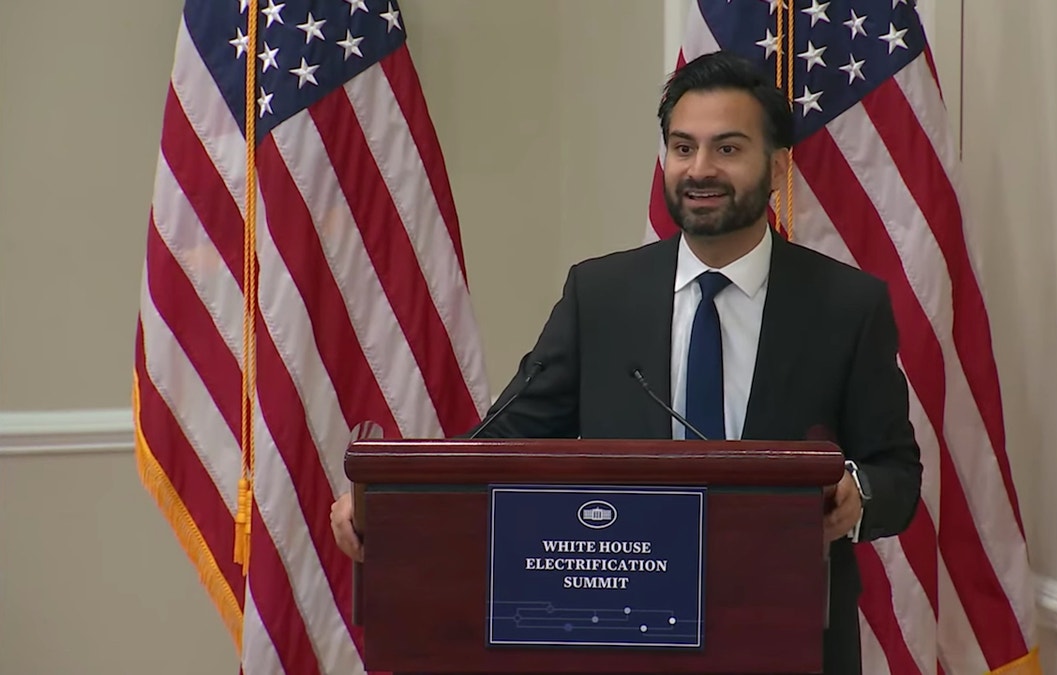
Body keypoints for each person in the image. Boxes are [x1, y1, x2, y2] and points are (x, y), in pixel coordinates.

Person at [332, 49, 922, 674]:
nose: (700, 170)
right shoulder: (601, 296)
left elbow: (897, 473)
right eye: (682, 147)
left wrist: (859, 494)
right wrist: (393, 506)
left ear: (776, 167)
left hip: (787, 640)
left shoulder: (847, 306)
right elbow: (503, 443)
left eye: (727, 149)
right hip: (619, 637)